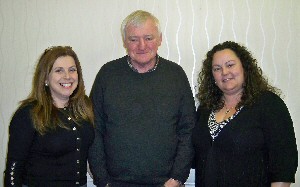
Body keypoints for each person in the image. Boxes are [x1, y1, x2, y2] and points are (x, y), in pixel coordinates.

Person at [88, 10, 195, 187]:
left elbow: (188, 129)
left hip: (166, 183)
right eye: (133, 39)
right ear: (124, 42)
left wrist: (177, 177)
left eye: (149, 38)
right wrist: (102, 180)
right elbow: (94, 128)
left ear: (160, 39)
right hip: (115, 183)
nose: (142, 45)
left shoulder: (176, 75)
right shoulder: (107, 74)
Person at [192, 41, 298, 187]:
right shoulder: (205, 109)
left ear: (244, 67)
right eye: (217, 68)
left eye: (230, 65)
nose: (224, 72)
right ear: (212, 76)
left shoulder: (269, 104)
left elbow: (283, 163)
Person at [4, 46, 95, 187]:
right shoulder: (28, 114)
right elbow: (13, 170)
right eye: (59, 70)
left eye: (72, 70)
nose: (67, 76)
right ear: (45, 78)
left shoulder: (84, 108)